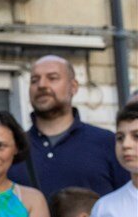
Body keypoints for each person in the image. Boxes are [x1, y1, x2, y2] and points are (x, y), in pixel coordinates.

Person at [7, 55, 129, 198]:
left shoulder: (107, 142)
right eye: (34, 80)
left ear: (73, 87)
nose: (41, 85)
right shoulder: (13, 148)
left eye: (52, 78)